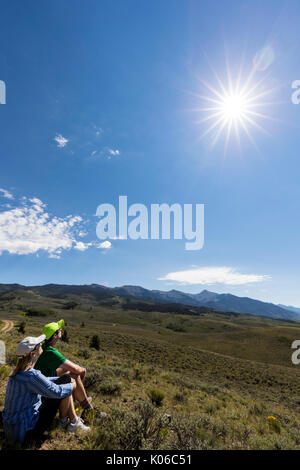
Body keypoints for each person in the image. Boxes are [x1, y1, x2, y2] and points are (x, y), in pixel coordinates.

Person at [2, 335, 90, 446]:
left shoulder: (17, 372)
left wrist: (59, 379)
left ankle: (68, 420)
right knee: (65, 384)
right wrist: (72, 385)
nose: (41, 346)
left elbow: (43, 381)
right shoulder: (31, 375)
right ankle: (67, 422)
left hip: (12, 429)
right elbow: (57, 392)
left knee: (63, 380)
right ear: (33, 354)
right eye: (39, 345)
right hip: (27, 433)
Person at [35, 320, 94, 417]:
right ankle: (87, 408)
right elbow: (76, 369)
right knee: (75, 375)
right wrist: (83, 370)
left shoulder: (43, 347)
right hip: (45, 390)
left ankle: (82, 401)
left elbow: (67, 367)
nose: (61, 330)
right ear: (55, 336)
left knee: (68, 371)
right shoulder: (50, 352)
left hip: (40, 383)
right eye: (59, 330)